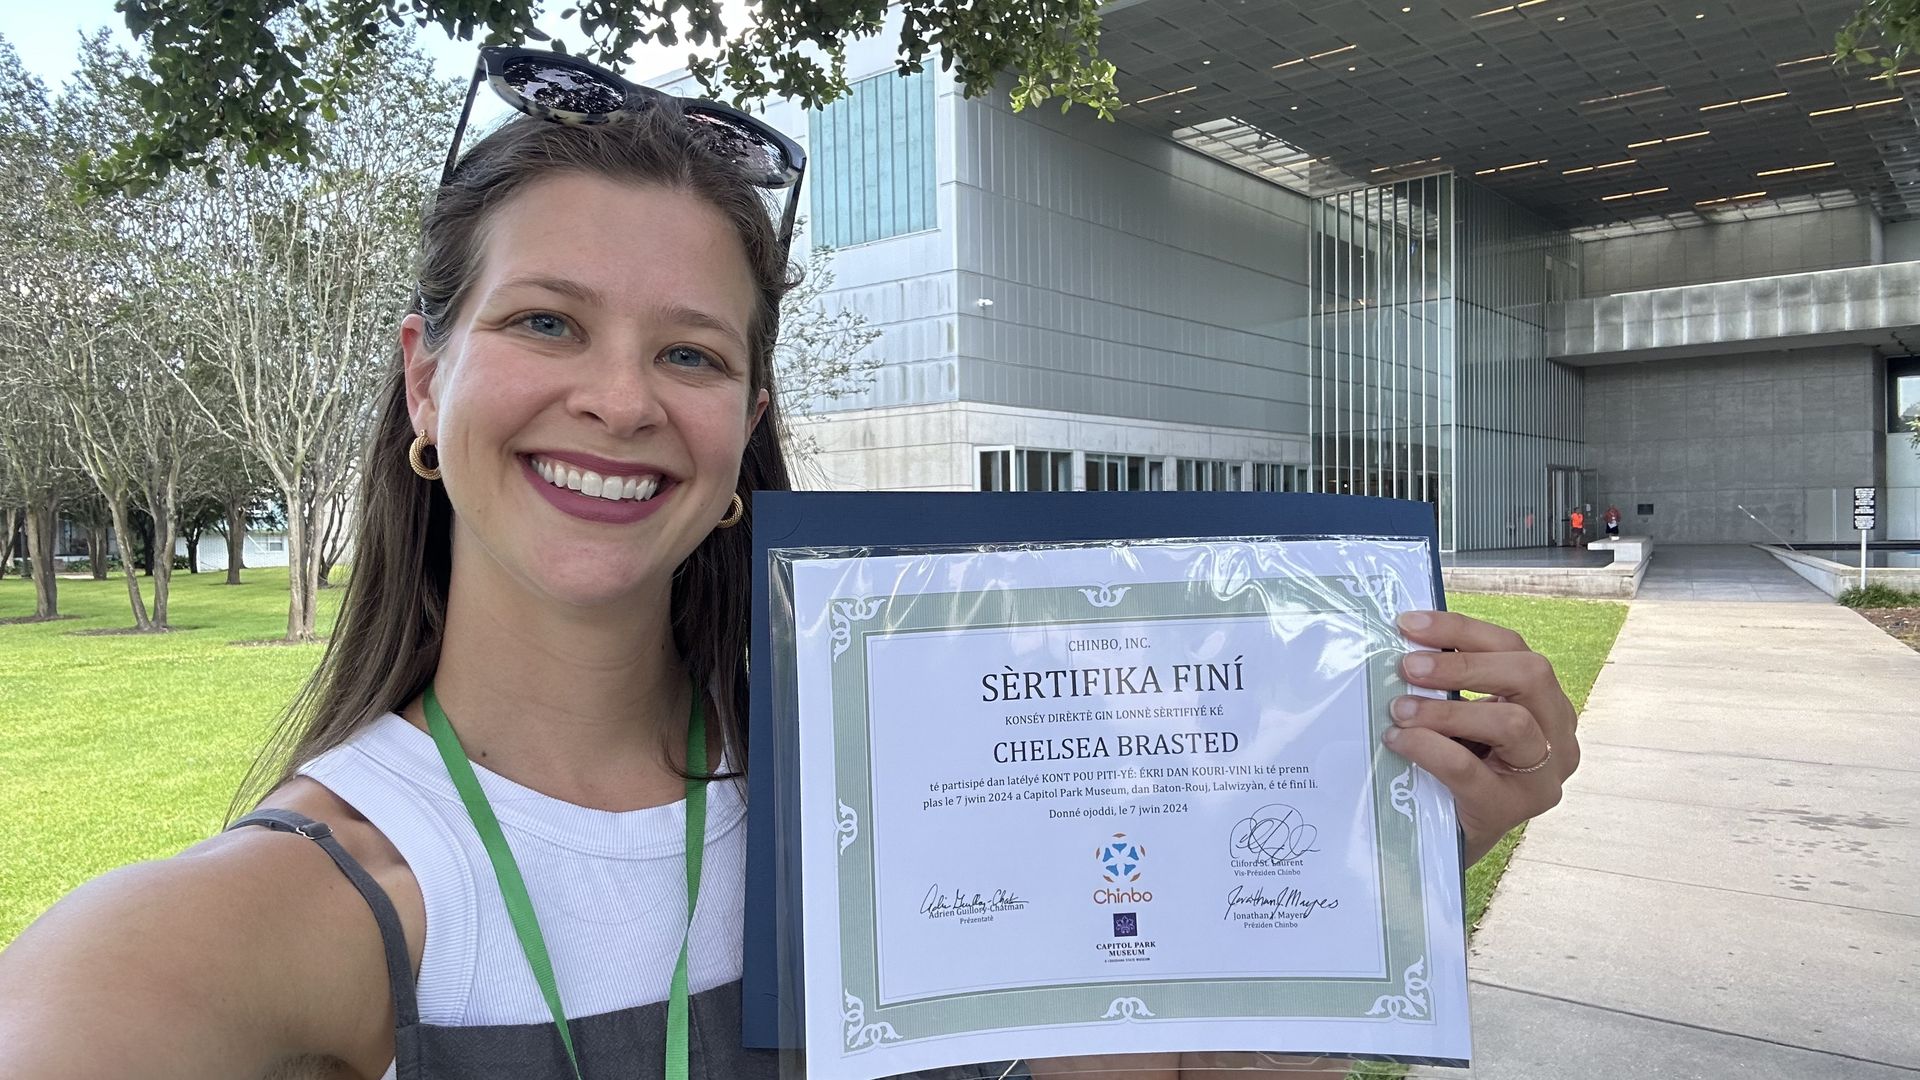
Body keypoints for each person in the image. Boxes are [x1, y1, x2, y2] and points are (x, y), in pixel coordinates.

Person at [0, 47, 1580, 1080]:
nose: (619, 398)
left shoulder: (898, 781)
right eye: (546, 321)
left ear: (746, 417)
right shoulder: (284, 918)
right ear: (427, 380)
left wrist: (1389, 857)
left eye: (688, 352)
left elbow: (1167, 1069)